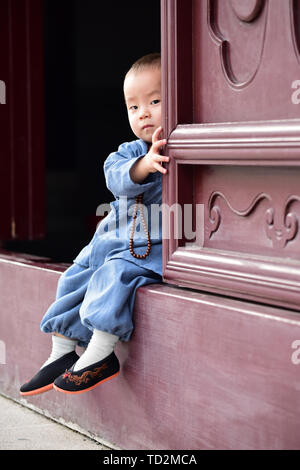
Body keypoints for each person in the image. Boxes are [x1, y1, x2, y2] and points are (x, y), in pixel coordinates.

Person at [20, 52, 169, 396]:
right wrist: (143, 165)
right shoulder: (130, 152)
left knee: (112, 277)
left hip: (142, 252)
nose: (143, 112)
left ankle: (101, 353)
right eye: (133, 107)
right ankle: (60, 352)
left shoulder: (181, 150)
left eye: (155, 101)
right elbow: (115, 177)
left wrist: (157, 163)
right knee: (74, 277)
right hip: (105, 243)